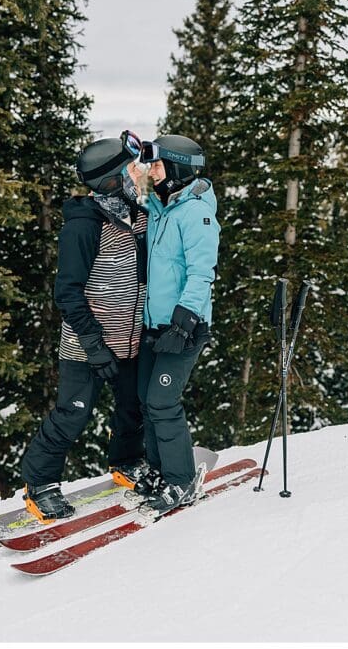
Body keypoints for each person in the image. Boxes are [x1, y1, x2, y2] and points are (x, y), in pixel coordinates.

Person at [20, 131, 152, 523]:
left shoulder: (137, 215)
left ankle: (127, 461)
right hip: (86, 345)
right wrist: (94, 344)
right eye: (130, 170)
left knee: (132, 407)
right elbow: (67, 293)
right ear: (112, 181)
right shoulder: (83, 227)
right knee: (72, 413)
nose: (137, 175)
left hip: (130, 338)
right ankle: (40, 483)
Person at [128, 134, 220, 517]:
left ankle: (181, 481)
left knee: (163, 401)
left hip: (185, 326)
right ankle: (159, 470)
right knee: (147, 400)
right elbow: (139, 199)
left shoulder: (196, 214)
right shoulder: (162, 207)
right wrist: (135, 178)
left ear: (178, 168)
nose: (153, 171)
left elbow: (202, 273)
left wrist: (182, 324)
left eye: (158, 165)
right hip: (155, 325)